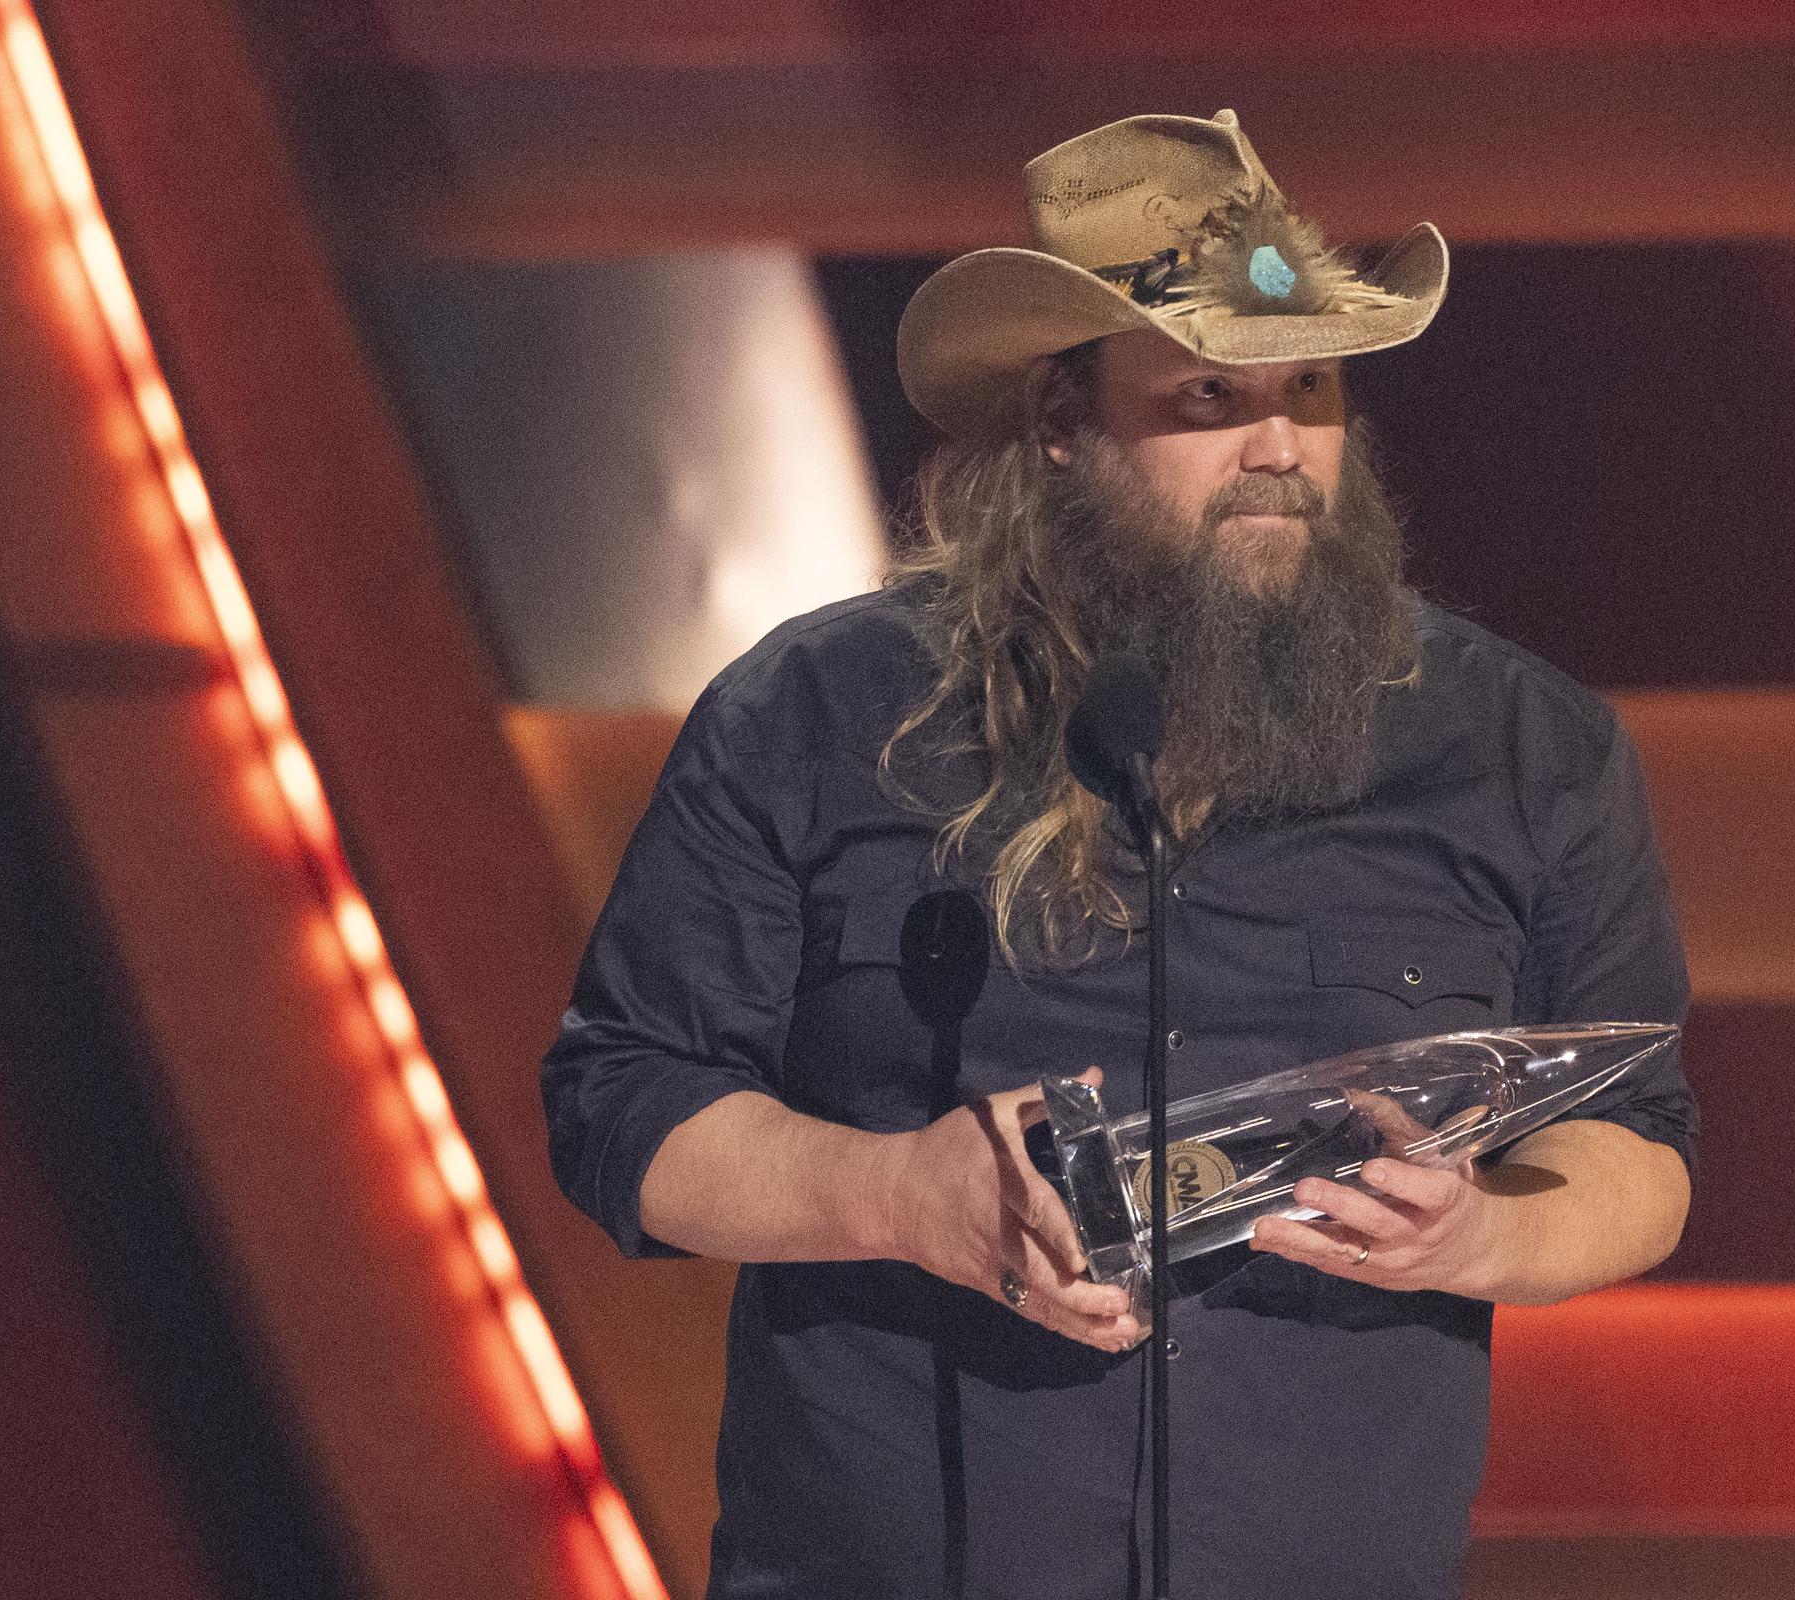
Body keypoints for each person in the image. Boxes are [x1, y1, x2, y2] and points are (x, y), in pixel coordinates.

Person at [542, 109, 1695, 1600]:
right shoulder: (817, 716)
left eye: (1313, 392)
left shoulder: (1525, 751)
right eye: (1212, 396)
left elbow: (1643, 1150)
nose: (1281, 451)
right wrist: (901, 1196)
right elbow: (624, 1106)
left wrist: (1478, 1235)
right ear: (1060, 421)